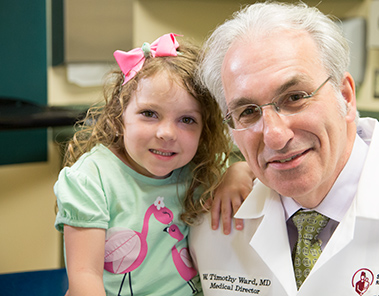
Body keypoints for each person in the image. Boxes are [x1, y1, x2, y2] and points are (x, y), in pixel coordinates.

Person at [189, 2, 379, 295]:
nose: (274, 136)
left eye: (295, 97)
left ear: (345, 96)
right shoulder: (207, 224)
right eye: (247, 111)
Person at [54, 33, 252, 296]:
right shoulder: (91, 179)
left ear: (205, 129)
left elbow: (253, 167)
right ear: (119, 114)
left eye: (187, 120)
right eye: (149, 114)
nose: (167, 133)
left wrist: (236, 172)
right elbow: (84, 278)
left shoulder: (201, 167)